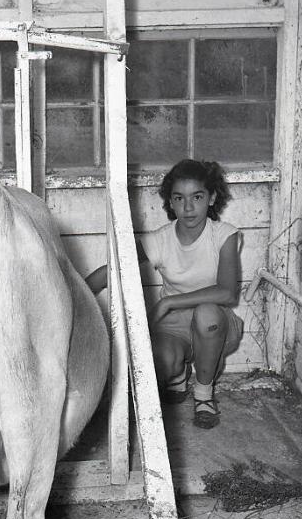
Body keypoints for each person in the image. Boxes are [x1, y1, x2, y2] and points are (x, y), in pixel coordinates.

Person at [85, 158, 243, 429]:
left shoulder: (223, 235)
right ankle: (177, 375)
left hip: (216, 324)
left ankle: (204, 395)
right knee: (159, 364)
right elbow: (113, 270)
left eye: (197, 197)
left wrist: (169, 302)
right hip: (173, 327)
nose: (189, 207)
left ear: (212, 198)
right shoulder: (161, 239)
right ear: (170, 202)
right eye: (179, 198)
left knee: (207, 315)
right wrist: (78, 300)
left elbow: (227, 293)